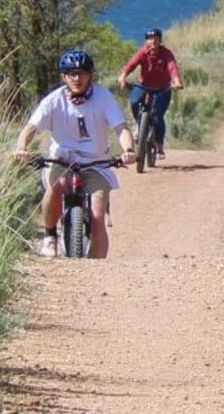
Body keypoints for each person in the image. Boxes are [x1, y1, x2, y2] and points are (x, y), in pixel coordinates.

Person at [13, 50, 136, 259]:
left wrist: (129, 150)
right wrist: (21, 148)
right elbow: (31, 127)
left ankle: (97, 268)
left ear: (90, 75)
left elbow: (121, 128)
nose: (77, 79)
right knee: (56, 187)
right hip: (61, 160)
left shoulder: (103, 97)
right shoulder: (53, 100)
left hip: (96, 163)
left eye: (82, 73)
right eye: (71, 74)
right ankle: (50, 236)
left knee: (98, 216)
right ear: (63, 77)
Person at [116, 28, 183, 159]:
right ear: (146, 41)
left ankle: (159, 147)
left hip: (162, 89)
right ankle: (139, 125)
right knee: (134, 101)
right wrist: (123, 76)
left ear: (160, 40)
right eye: (150, 39)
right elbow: (131, 64)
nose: (153, 42)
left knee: (157, 115)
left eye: (156, 39)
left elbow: (172, 67)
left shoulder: (166, 53)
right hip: (143, 86)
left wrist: (176, 81)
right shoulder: (143, 52)